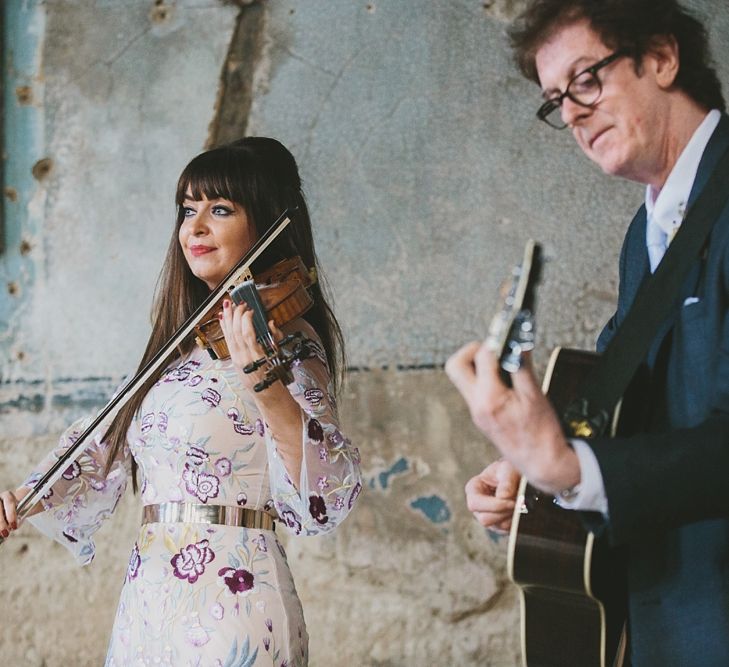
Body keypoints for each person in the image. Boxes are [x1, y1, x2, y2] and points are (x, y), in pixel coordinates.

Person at [0, 137, 362, 665]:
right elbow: (103, 442)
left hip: (234, 596)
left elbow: (324, 490)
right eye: (188, 210)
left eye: (219, 210)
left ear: (264, 224)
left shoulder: (287, 338)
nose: (194, 227)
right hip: (150, 595)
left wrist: (263, 379)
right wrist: (23, 498)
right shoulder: (177, 348)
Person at [446, 1, 729, 665]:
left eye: (586, 80)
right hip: (669, 620)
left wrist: (569, 468)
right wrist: (529, 468)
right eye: (554, 99)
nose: (570, 113)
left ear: (660, 58)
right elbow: (632, 410)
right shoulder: (646, 235)